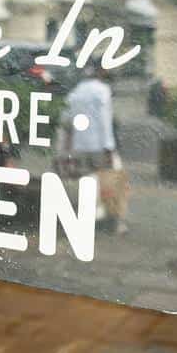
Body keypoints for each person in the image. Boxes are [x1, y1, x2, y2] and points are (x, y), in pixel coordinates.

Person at [61, 67, 127, 234]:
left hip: (81, 146)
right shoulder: (102, 91)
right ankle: (115, 221)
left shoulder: (74, 94)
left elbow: (67, 123)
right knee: (115, 181)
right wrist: (109, 148)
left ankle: (93, 218)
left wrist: (66, 149)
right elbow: (105, 121)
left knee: (88, 182)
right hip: (100, 146)